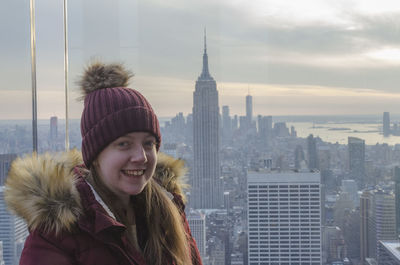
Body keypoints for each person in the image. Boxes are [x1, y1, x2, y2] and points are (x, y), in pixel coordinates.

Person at [4, 62, 203, 265]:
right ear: (95, 156)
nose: (141, 156)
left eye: (148, 143)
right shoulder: (56, 234)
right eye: (124, 144)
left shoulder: (168, 210)